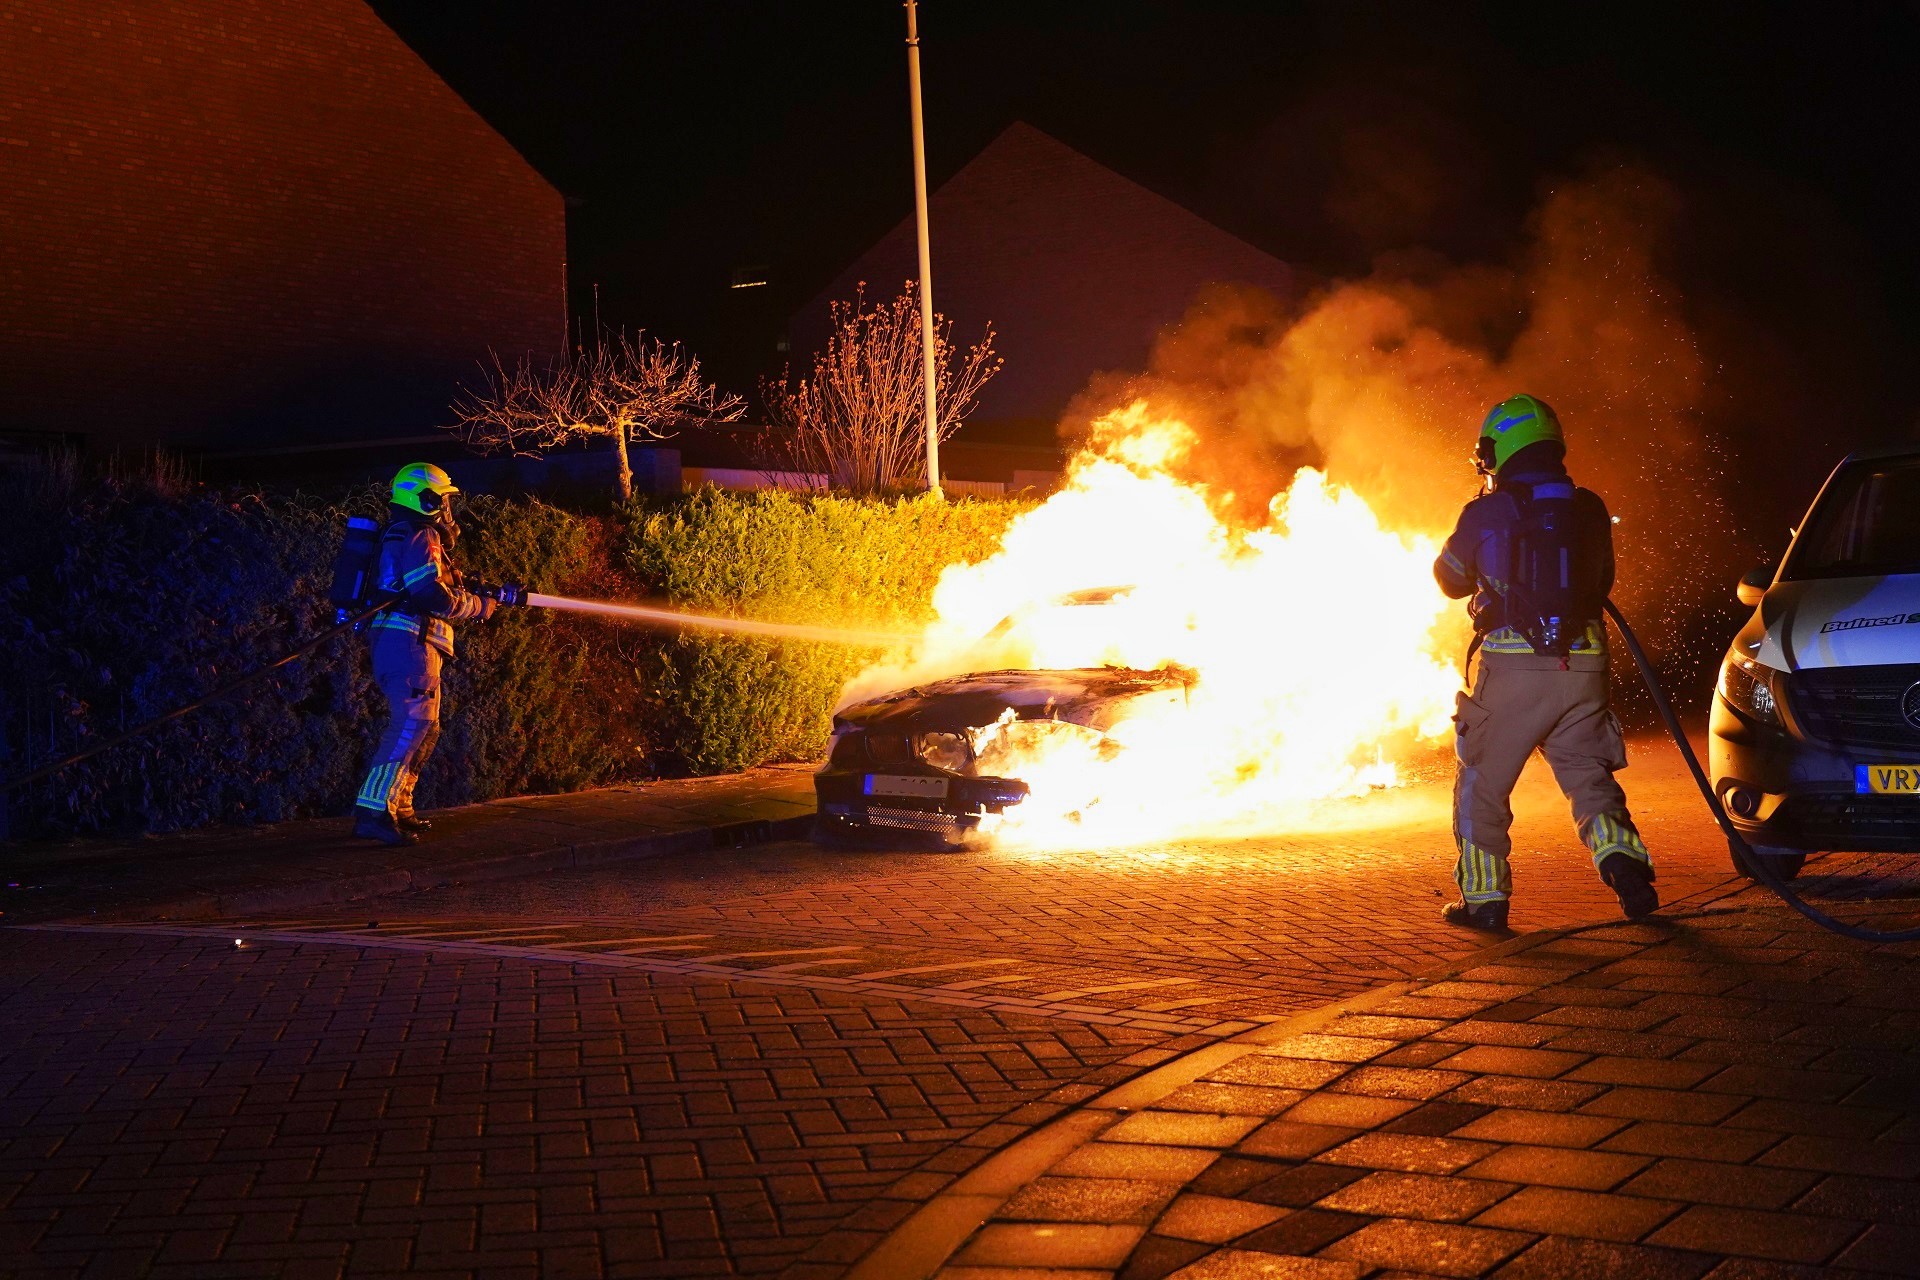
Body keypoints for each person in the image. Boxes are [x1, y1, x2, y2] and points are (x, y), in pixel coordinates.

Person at [1433, 394, 1658, 929]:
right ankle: (1624, 863)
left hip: (1515, 670)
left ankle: (1485, 901)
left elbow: (1449, 578)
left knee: (1482, 783)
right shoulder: (1590, 508)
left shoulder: (1487, 511)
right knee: (1587, 773)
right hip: (1586, 666)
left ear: (1500, 449)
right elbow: (1603, 581)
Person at [352, 463, 500, 845]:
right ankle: (374, 812)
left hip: (405, 642)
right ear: (427, 499)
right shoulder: (421, 532)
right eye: (443, 501)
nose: (448, 511)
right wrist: (477, 606)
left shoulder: (403, 532)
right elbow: (429, 594)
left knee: (424, 727)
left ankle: (398, 806)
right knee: (410, 724)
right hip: (409, 644)